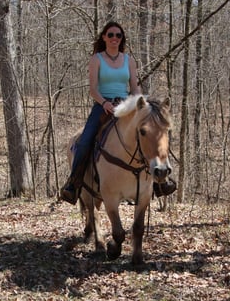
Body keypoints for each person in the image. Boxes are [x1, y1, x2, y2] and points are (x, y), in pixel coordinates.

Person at [60, 22, 176, 204]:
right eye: (111, 34)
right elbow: (92, 89)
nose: (115, 38)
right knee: (84, 141)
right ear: (104, 37)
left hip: (127, 105)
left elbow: (134, 87)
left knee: (152, 135)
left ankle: (160, 182)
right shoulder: (96, 59)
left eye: (118, 35)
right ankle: (73, 184)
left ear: (122, 39)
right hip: (103, 106)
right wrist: (104, 102)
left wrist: (142, 105)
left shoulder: (128, 60)